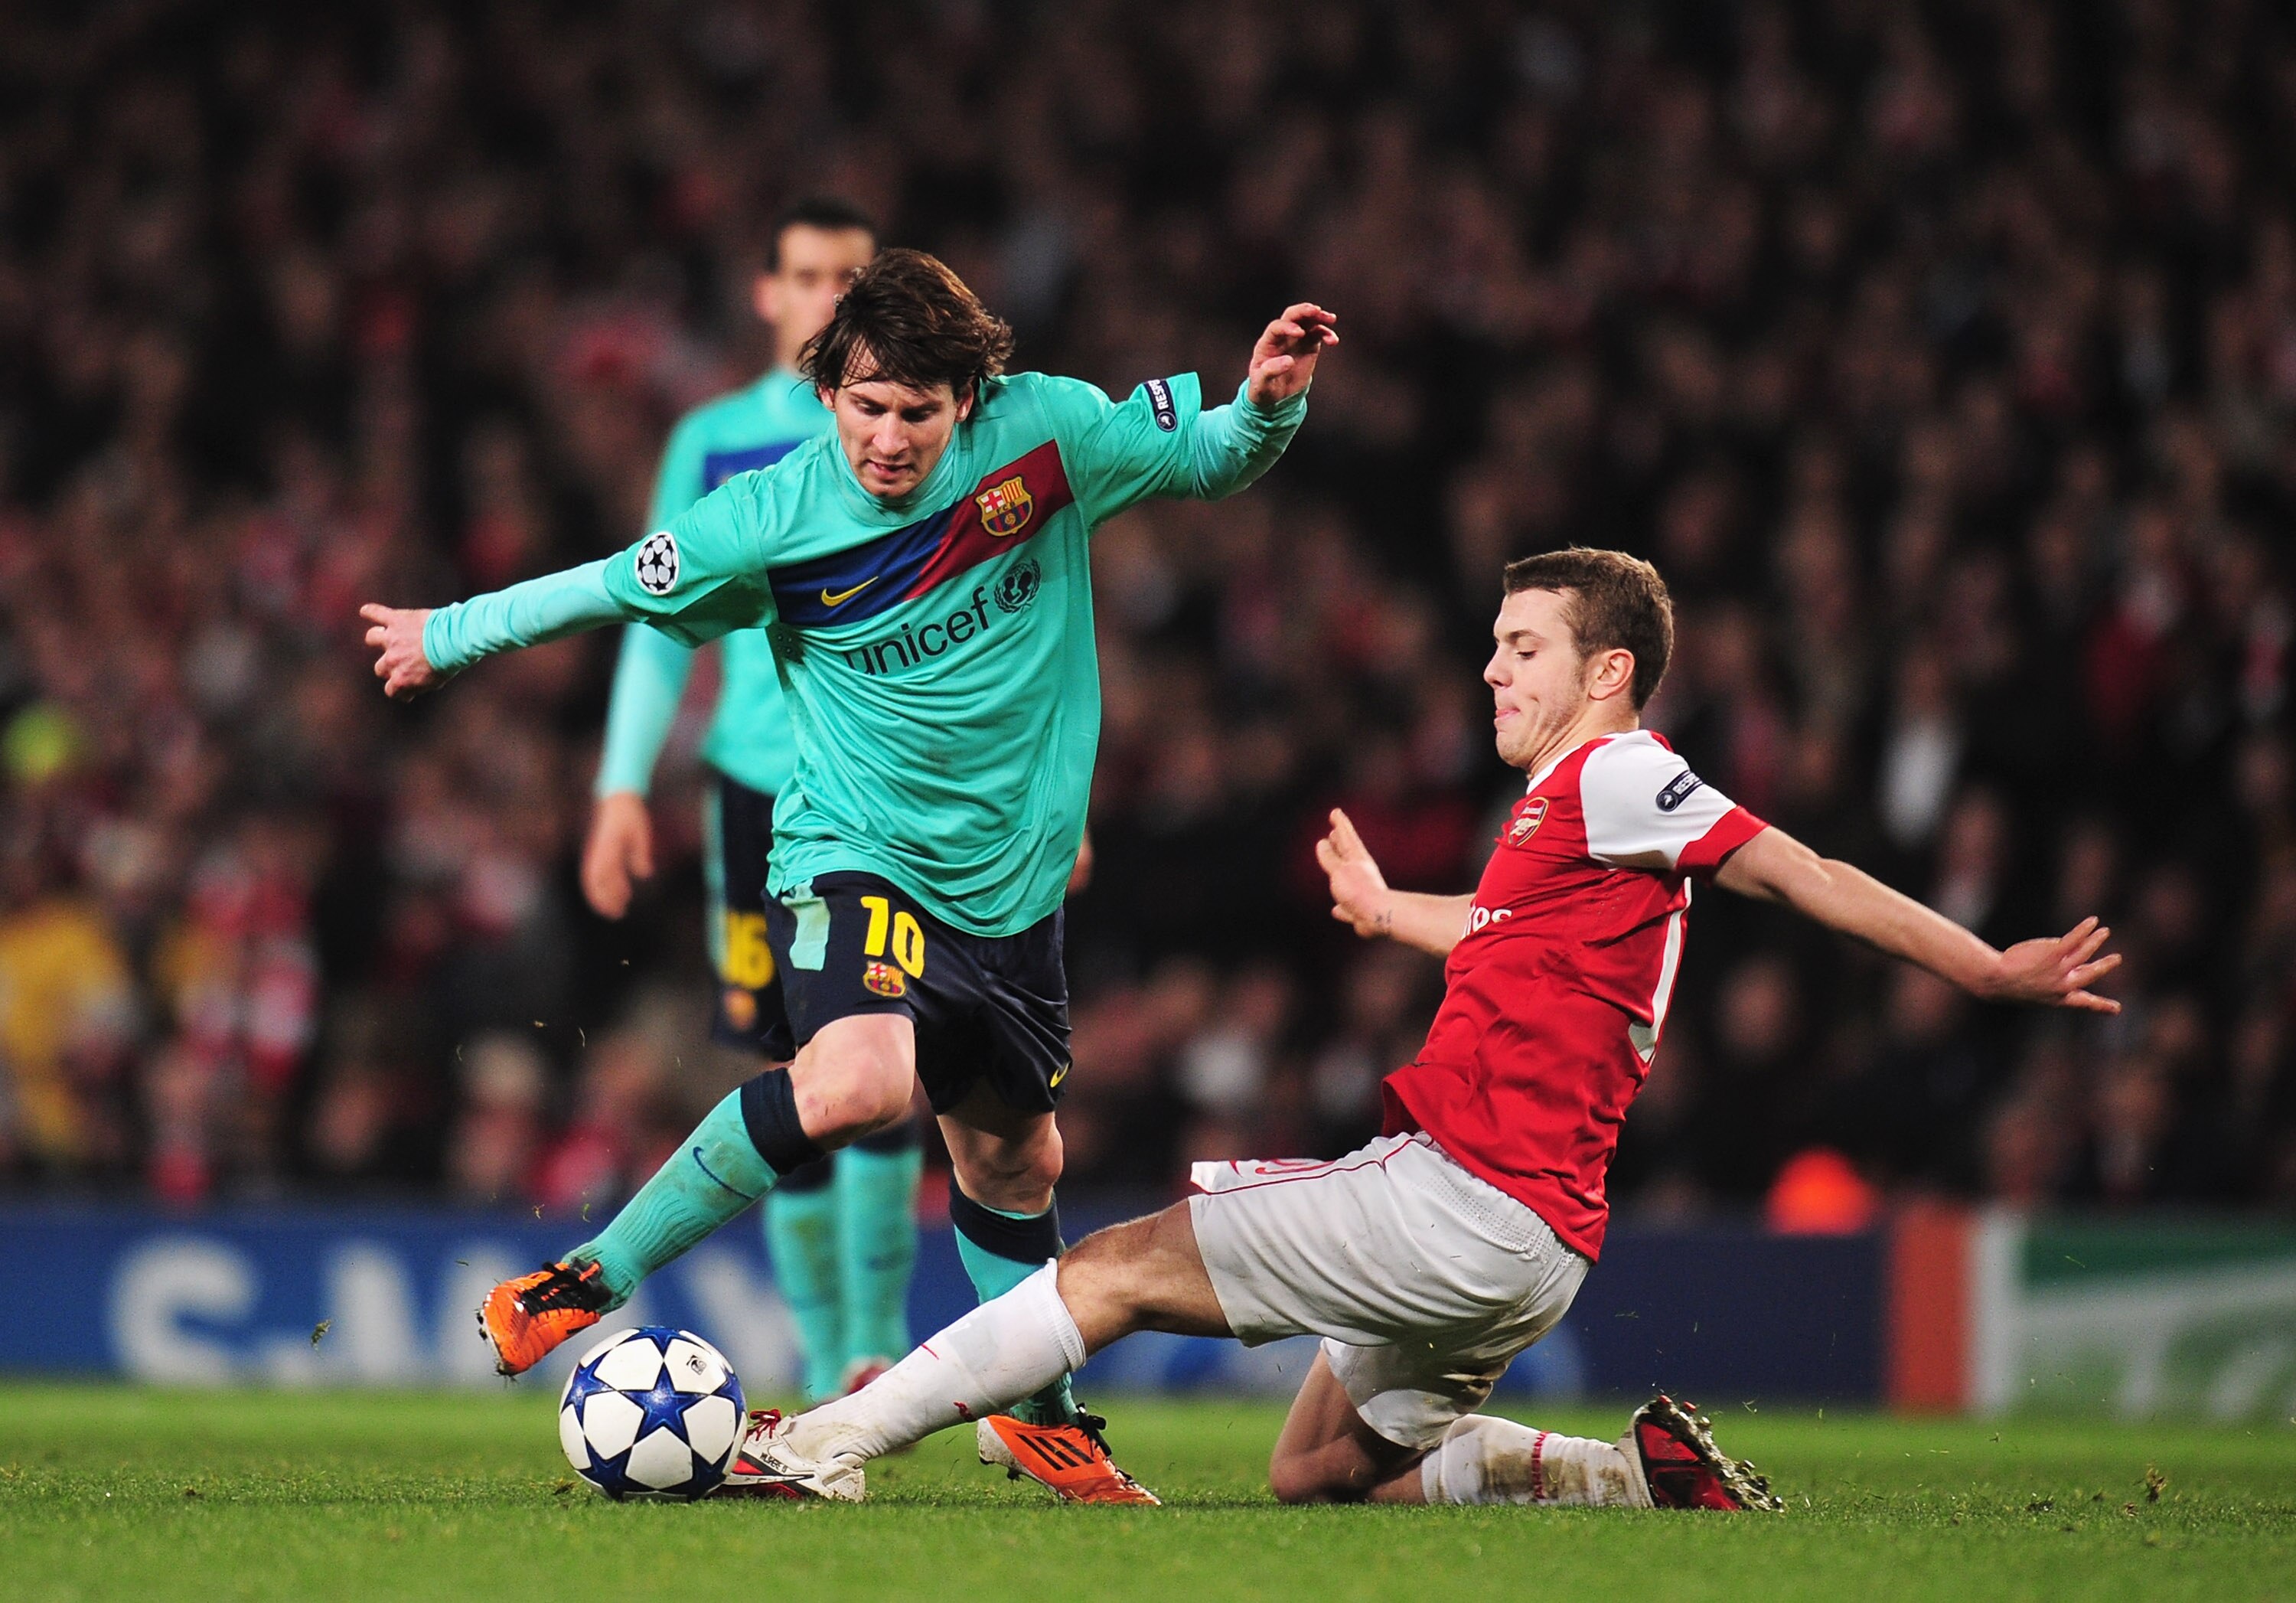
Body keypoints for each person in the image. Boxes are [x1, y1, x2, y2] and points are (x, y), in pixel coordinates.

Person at [726, 547, 2119, 1510]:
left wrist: (1988, 968)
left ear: (1612, 670)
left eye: (1525, 648)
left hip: (1461, 1195)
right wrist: (1394, 911)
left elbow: (1802, 873)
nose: (1493, 671)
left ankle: (832, 1442)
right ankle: (1631, 1475)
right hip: (1544, 1247)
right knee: (1322, 1470)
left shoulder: (1627, 770)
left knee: (1114, 1265)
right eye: (1495, 644)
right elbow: (1510, 936)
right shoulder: (1572, 817)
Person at [362, 250, 1336, 1502]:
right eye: (864, 406)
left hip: (1012, 891)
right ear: (829, 392)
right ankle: (583, 1278)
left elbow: (1208, 457)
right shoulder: (770, 517)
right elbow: (613, 584)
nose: (886, 438)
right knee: (863, 1083)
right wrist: (447, 634)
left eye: (916, 413)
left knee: (1015, 1165)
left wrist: (1268, 400)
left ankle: (1042, 1414)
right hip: (850, 853)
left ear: (970, 400)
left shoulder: (1048, 436)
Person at [580, 198, 924, 1405]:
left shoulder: (919, 441)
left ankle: (871, 1339)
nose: (827, 296)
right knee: (784, 1063)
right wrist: (623, 781)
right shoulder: (715, 443)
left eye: (850, 276)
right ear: (766, 293)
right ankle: (830, 1355)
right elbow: (658, 620)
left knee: (885, 1061)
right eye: (807, 275)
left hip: (887, 800)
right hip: (754, 801)